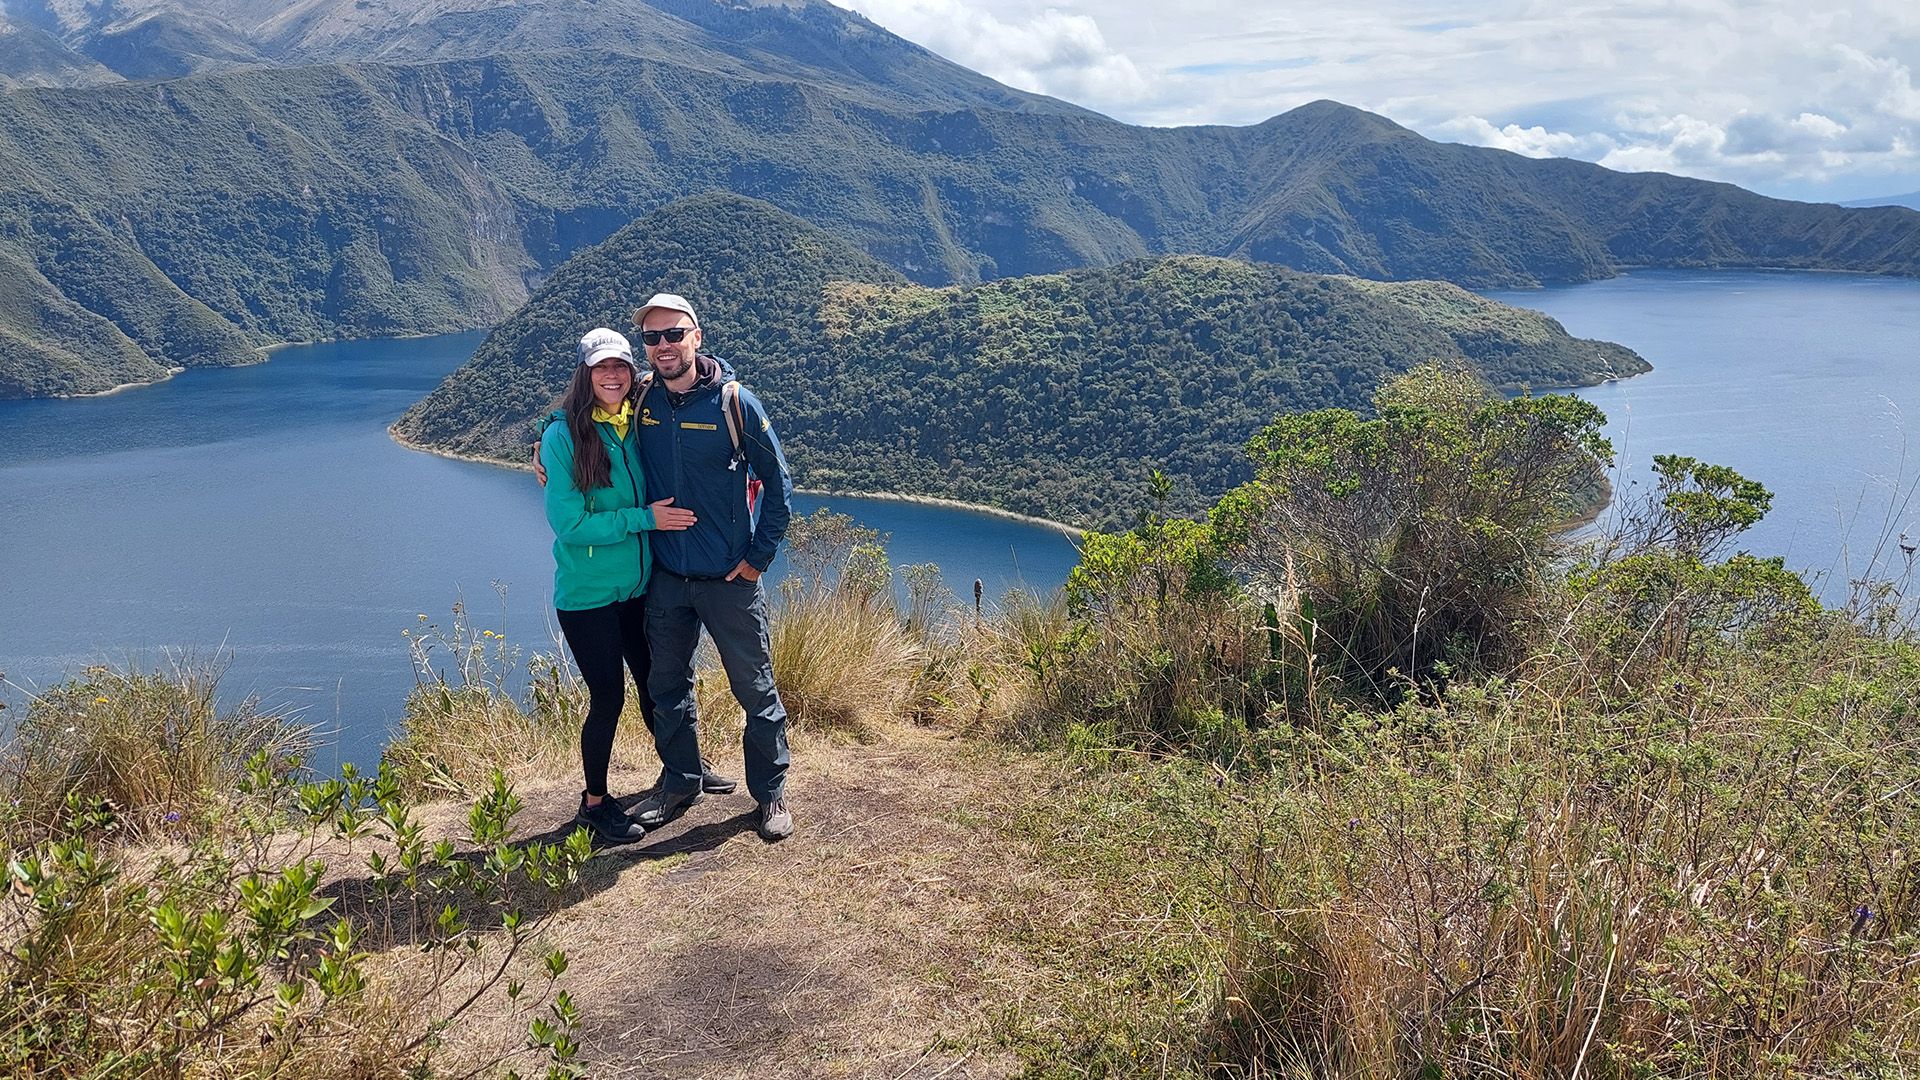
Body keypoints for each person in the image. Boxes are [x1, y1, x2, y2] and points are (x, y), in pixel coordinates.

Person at [626, 293, 797, 841]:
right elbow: (584, 409)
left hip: (729, 579)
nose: (663, 346)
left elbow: (781, 487)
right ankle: (680, 782)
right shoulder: (643, 397)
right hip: (668, 579)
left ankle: (769, 795)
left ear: (697, 336)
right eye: (652, 338)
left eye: (673, 334)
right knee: (666, 684)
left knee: (754, 686)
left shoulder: (734, 402)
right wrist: (541, 440)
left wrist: (755, 562)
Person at [540, 327, 698, 841]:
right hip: (587, 597)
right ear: (585, 375)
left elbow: (702, 375)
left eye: (621, 366)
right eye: (601, 367)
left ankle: (681, 770)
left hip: (637, 588)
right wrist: (643, 520)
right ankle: (595, 802)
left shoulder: (638, 419)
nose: (612, 375)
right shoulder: (564, 435)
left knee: (658, 682)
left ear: (633, 373)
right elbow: (570, 525)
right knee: (608, 697)